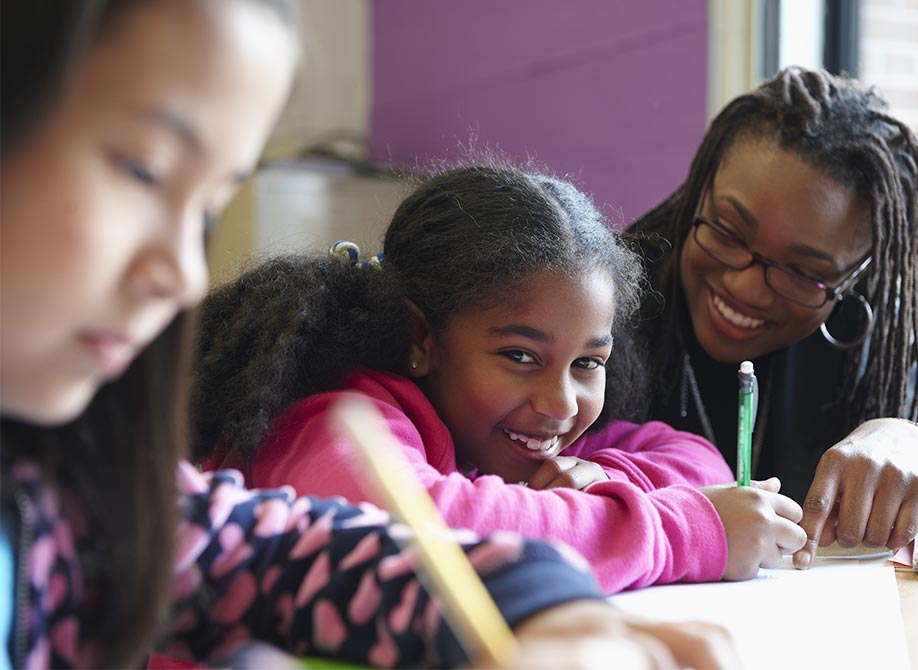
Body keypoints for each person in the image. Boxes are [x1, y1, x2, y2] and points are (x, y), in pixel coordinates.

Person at [0, 2, 741, 669]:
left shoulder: (66, 501)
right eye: (142, 169)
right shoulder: (338, 418)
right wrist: (679, 529)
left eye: (207, 214)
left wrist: (541, 600)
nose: (183, 275)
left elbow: (258, 553)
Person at [193, 164, 807, 596]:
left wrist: (601, 480)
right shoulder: (333, 415)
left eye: (588, 362)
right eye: (519, 355)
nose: (560, 402)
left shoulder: (515, 432)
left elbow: (697, 460)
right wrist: (686, 532)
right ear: (421, 339)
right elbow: (422, 533)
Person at [622, 66, 918, 570]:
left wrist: (912, 439)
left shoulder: (861, 333)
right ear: (699, 190)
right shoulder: (610, 302)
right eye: (730, 232)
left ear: (856, 275)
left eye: (804, 272)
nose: (744, 286)